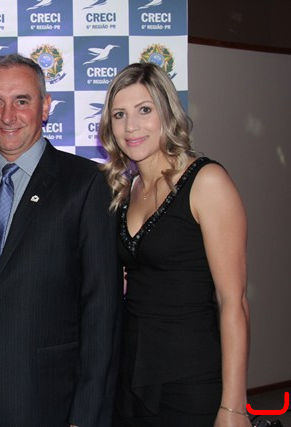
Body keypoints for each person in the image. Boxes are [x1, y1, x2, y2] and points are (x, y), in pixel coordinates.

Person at [0, 53, 122, 427]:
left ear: (45, 107)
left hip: (53, 402)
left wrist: (86, 414)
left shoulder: (87, 183)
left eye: (21, 100)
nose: (8, 116)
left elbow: (102, 310)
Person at [98, 62, 250, 426]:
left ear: (167, 113)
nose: (131, 126)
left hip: (191, 376)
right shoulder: (125, 190)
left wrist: (233, 406)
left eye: (144, 110)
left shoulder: (207, 181)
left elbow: (234, 302)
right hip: (131, 375)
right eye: (119, 115)